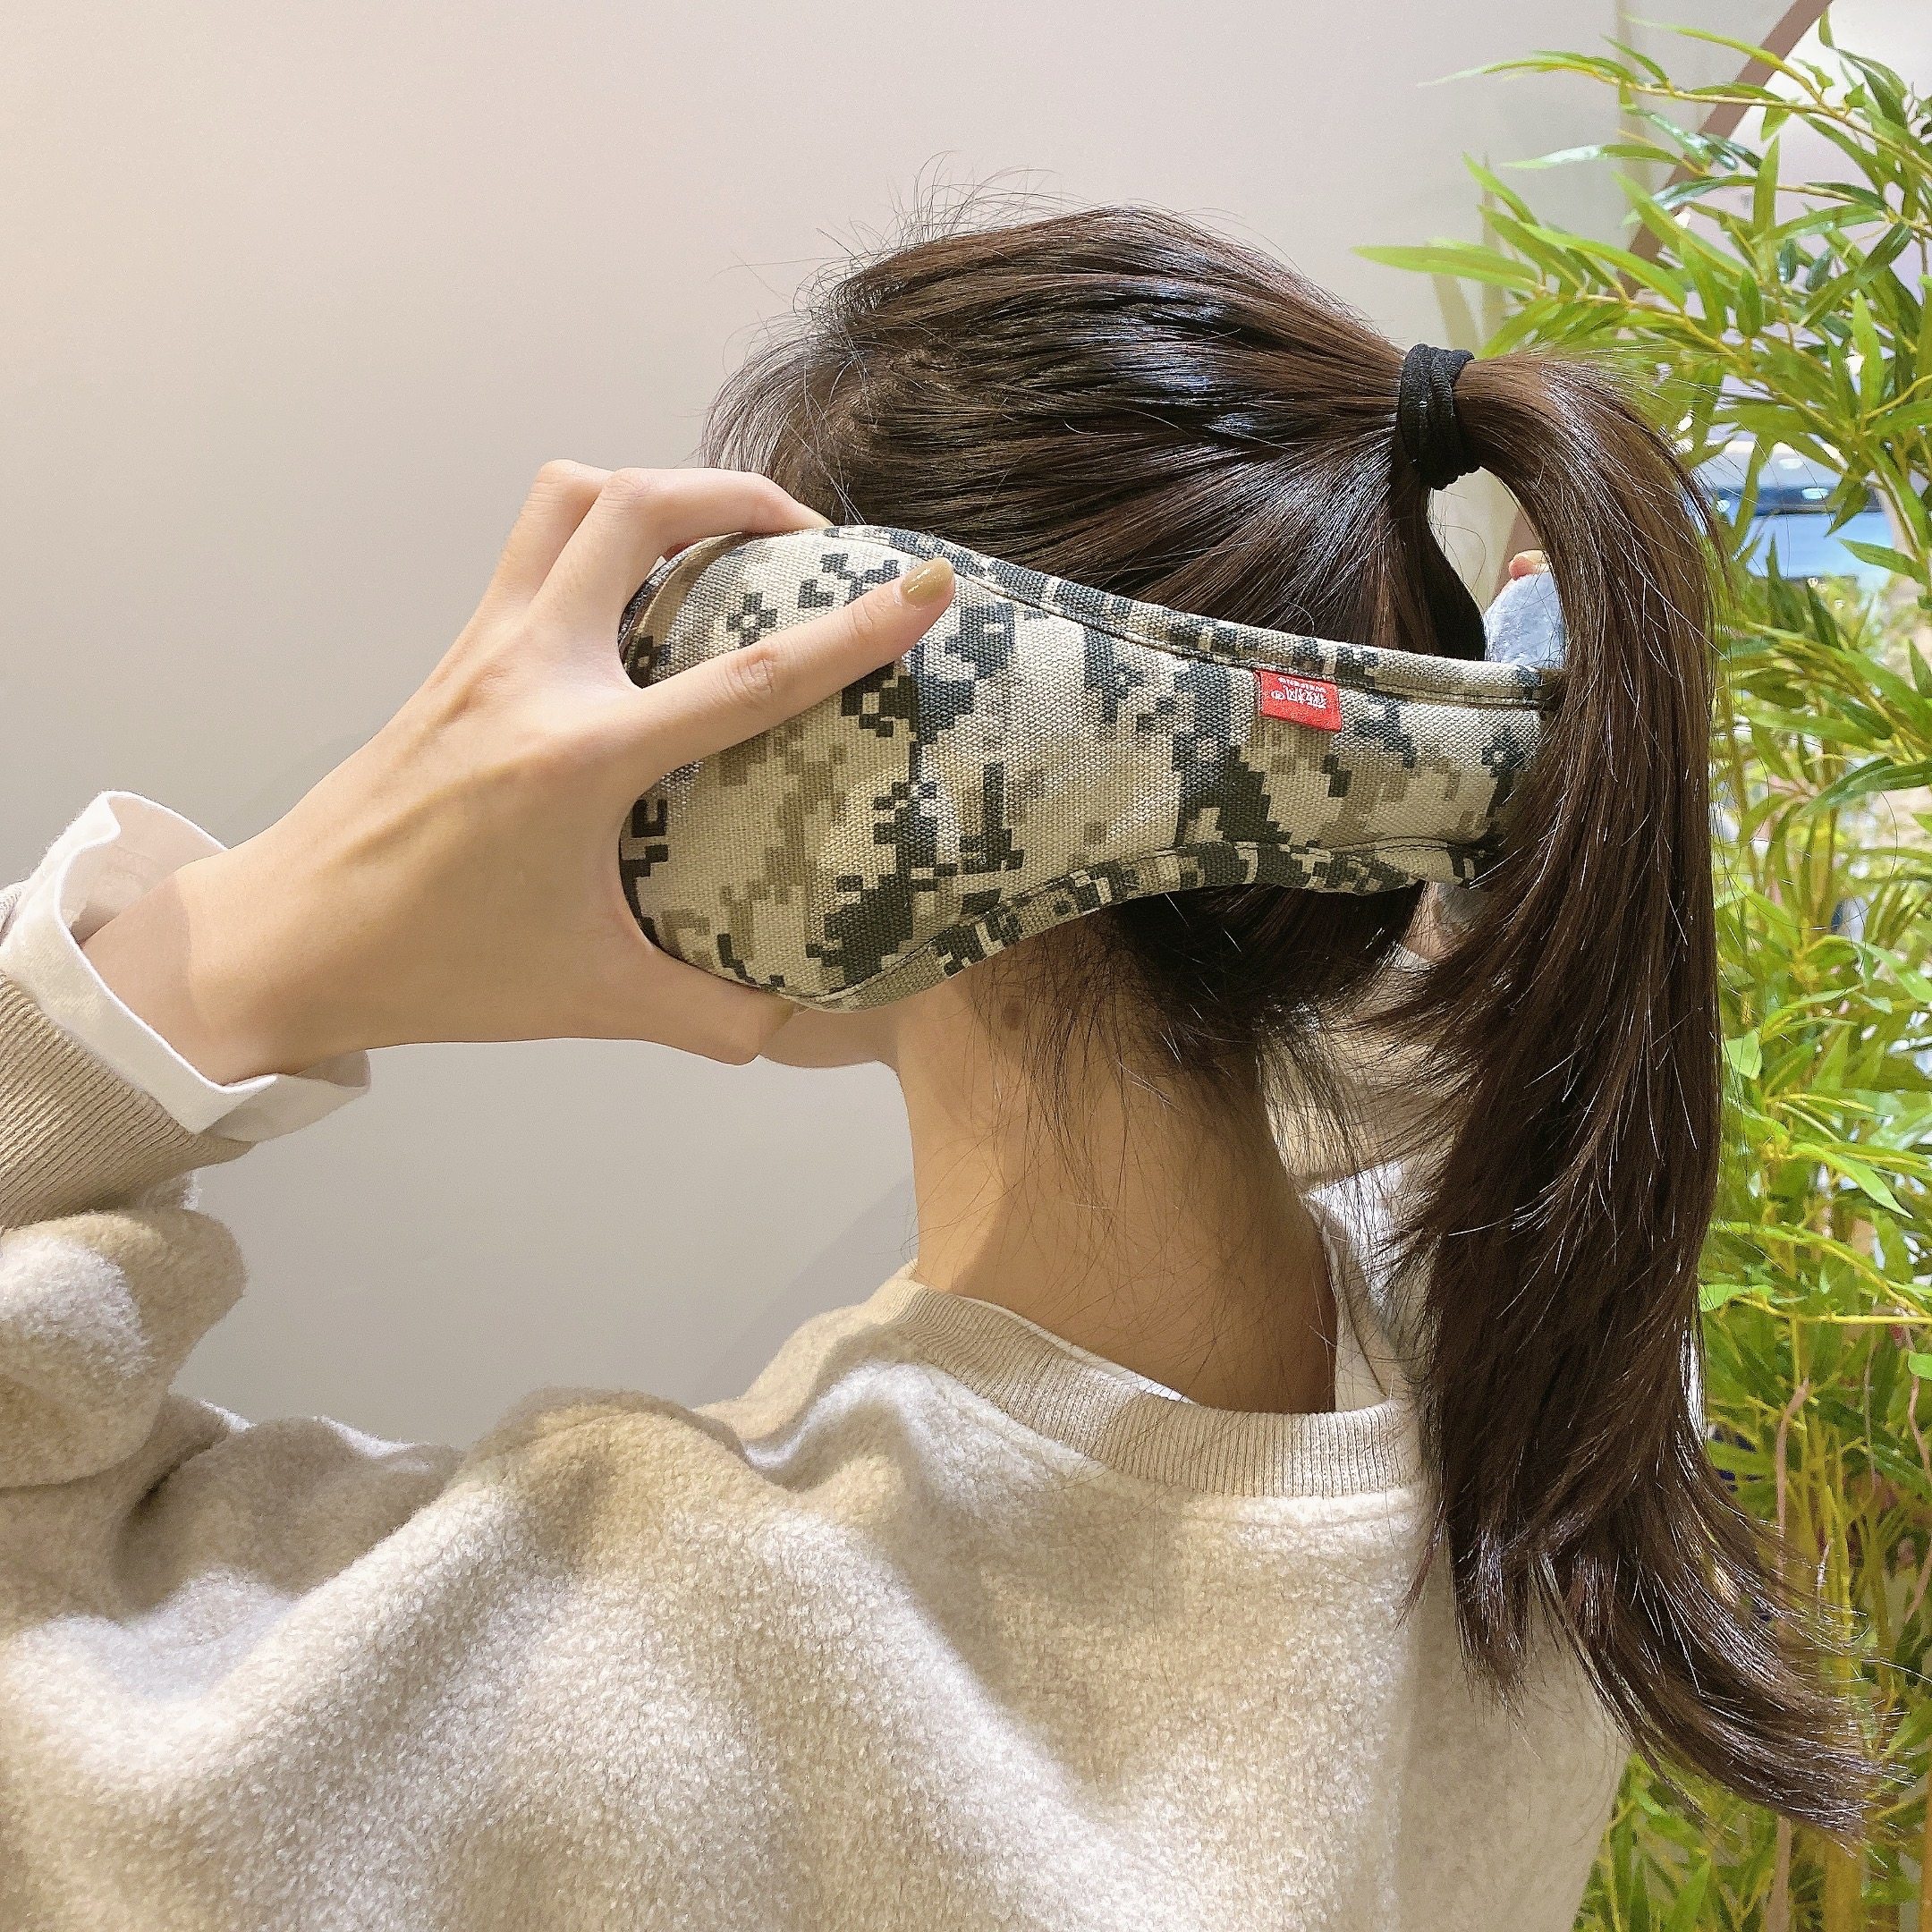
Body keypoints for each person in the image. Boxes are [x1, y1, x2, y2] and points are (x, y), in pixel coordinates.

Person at [0, 208, 1861, 1931]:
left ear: (853, 763)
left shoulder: (632, 1683)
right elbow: (1403, 1000)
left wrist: (257, 934)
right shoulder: (1546, 1361)